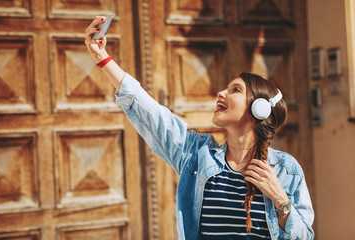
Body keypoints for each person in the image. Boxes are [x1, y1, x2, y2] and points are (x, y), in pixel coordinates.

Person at [85, 16, 314, 240]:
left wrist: (280, 201)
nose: (221, 93)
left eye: (235, 90)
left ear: (259, 109)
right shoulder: (197, 156)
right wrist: (102, 58)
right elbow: (152, 113)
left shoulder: (286, 170)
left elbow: (304, 237)